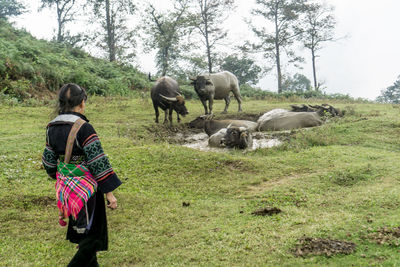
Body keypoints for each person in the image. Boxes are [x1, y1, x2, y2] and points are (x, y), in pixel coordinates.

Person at [42, 83, 122, 266]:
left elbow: (48, 161)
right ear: (82, 102)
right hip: (88, 192)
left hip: (68, 192)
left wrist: (64, 179)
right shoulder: (84, 128)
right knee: (92, 239)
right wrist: (109, 193)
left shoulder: (51, 127)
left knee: (82, 234)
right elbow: (98, 162)